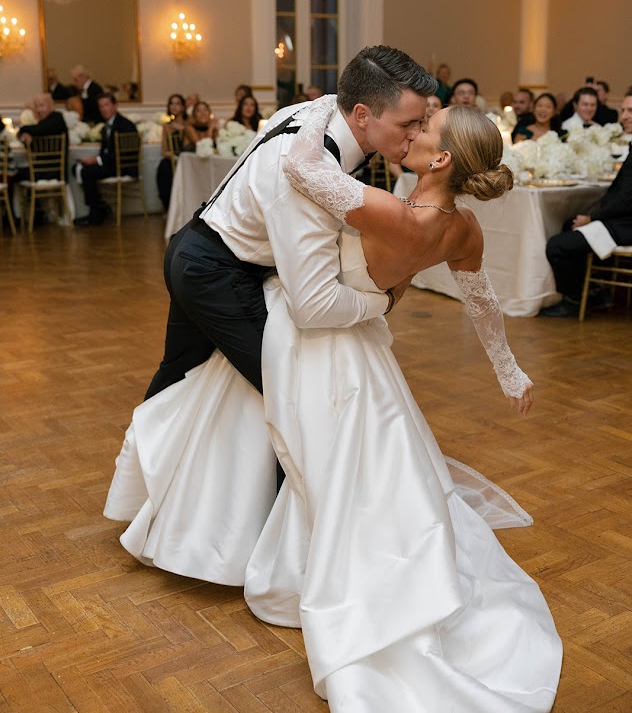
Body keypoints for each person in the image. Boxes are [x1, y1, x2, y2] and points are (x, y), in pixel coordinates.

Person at [105, 96, 561, 711]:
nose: (415, 129)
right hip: (365, 348)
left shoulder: (391, 212)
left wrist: (332, 104)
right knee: (360, 460)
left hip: (315, 338)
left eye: (425, 128)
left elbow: (300, 168)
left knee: (314, 453)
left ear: (442, 156)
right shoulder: (463, 228)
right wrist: (509, 371)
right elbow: (482, 304)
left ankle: (258, 546)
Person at [141, 45, 434, 403]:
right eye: (408, 124)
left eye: (421, 122)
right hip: (216, 273)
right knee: (296, 399)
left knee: (177, 382)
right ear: (361, 114)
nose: (417, 135)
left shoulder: (320, 111)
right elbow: (313, 307)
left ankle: (149, 459)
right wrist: (383, 303)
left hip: (193, 247)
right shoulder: (310, 175)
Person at [540, 91, 632, 317]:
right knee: (568, 225)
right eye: (623, 110)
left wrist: (592, 218)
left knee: (556, 245)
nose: (624, 116)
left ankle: (574, 300)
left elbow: (627, 200)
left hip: (626, 226)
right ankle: (592, 292)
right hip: (621, 219)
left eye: (630, 111)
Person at [74, 93, 137, 226]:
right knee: (76, 167)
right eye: (101, 106)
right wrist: (96, 159)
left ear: (115, 106)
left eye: (107, 105)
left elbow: (124, 153)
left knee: (87, 171)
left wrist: (97, 160)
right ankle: (100, 206)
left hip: (123, 166)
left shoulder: (125, 125)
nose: (104, 109)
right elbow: (105, 150)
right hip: (111, 164)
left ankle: (95, 213)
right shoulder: (106, 126)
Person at [156, 94, 187, 211]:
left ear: (183, 107)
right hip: (173, 159)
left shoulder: (188, 124)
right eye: (171, 104)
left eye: (177, 103)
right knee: (164, 166)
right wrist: (174, 157)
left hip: (188, 158)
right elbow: (164, 150)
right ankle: (168, 207)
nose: (174, 106)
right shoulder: (167, 126)